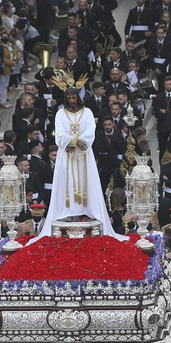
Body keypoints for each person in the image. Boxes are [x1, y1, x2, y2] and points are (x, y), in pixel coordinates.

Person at [39, 73, 112, 236]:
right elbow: (59, 135)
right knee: (67, 181)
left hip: (84, 154)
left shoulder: (87, 112)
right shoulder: (60, 114)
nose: (72, 101)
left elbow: (90, 131)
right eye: (69, 98)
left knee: (86, 181)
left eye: (74, 98)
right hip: (67, 154)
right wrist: (72, 142)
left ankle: (87, 210)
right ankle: (68, 211)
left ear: (78, 98)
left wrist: (77, 142)